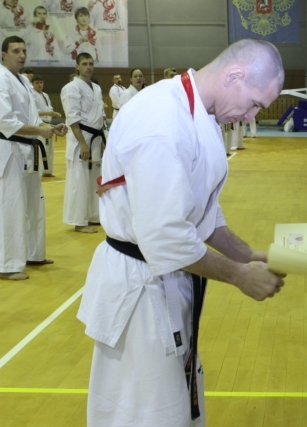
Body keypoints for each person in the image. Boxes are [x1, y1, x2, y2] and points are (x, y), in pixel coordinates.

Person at [77, 38, 286, 427]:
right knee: (144, 412)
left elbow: (201, 212)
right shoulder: (161, 119)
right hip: (140, 288)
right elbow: (167, 236)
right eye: (255, 103)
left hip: (166, 277)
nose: (251, 115)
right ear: (235, 75)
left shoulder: (198, 112)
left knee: (171, 405)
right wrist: (239, 275)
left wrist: (249, 255)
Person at [0, 36, 67, 280]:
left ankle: (33, 253)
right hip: (9, 150)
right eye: (15, 51)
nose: (21, 55)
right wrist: (40, 130)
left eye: (24, 51)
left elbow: (31, 117)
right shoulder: (1, 78)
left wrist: (50, 127)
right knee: (11, 207)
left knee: (34, 205)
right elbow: (5, 121)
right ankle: (7, 265)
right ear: (3, 55)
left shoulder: (24, 81)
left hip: (28, 150)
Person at [60, 52, 104, 234]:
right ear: (77, 66)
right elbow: (72, 118)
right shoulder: (71, 88)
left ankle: (93, 215)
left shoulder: (96, 88)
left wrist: (102, 140)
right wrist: (83, 143)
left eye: (91, 63)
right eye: (85, 64)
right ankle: (79, 221)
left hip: (95, 138)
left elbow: (100, 115)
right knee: (79, 180)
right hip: (81, 139)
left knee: (94, 180)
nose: (89, 67)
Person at [32, 73, 62, 176]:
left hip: (48, 124)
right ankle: (40, 172)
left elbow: (50, 109)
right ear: (32, 84)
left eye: (41, 82)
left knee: (49, 149)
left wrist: (53, 113)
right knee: (41, 149)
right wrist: (49, 113)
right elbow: (34, 112)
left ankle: (48, 171)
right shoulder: (32, 95)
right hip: (39, 125)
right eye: (37, 83)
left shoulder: (45, 95)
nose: (39, 85)